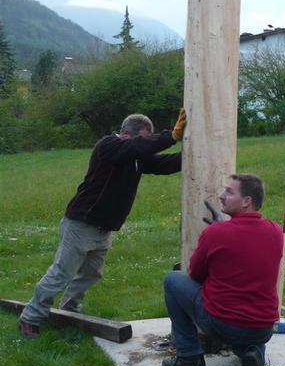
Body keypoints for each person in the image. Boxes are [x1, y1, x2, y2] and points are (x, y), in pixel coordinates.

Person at [18, 109, 187, 338]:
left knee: (90, 274)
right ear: (128, 133)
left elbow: (161, 164)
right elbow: (137, 148)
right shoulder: (108, 146)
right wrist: (171, 136)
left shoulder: (135, 156)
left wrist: (191, 155)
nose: (145, 143)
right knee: (61, 273)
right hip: (81, 223)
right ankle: (30, 318)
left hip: (104, 228)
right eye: (144, 137)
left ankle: (70, 310)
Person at [161, 174, 283, 366]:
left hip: (224, 324)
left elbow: (196, 275)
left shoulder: (216, 233)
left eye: (229, 191)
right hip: (264, 327)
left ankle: (189, 358)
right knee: (248, 326)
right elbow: (246, 246)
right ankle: (252, 355)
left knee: (173, 280)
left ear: (246, 201)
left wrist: (218, 230)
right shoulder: (275, 230)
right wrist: (224, 227)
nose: (221, 195)